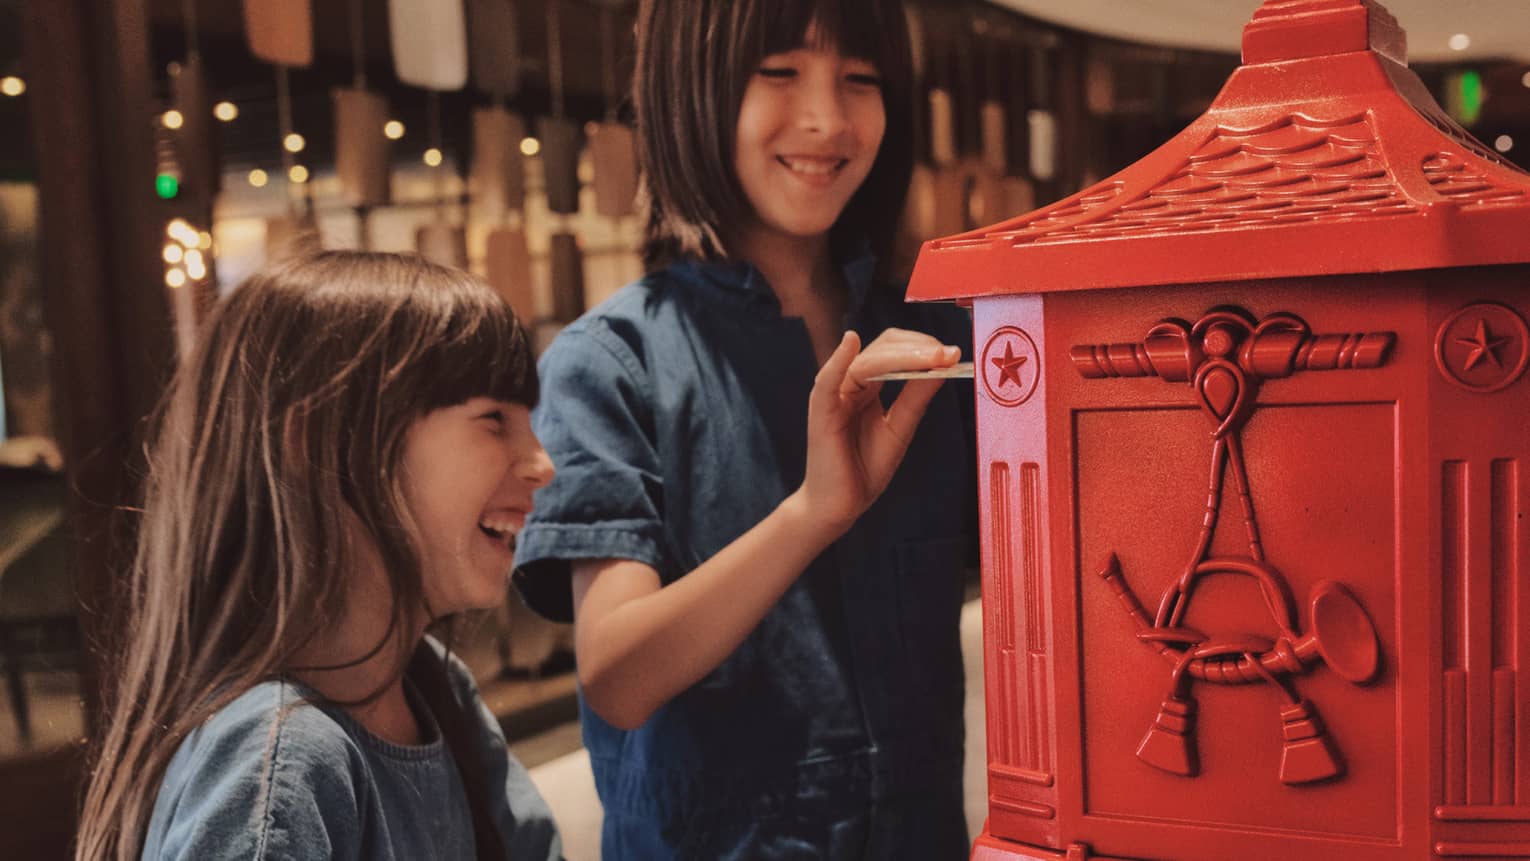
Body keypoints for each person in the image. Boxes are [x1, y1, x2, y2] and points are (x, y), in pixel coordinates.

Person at [512, 0, 977, 856]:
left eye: (861, 80)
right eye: (779, 72)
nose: (827, 120)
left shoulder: (939, 341)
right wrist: (814, 512)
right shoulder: (614, 362)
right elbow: (616, 673)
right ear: (695, 88)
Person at [75, 251, 564, 861]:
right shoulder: (282, 760)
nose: (542, 463)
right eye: (493, 419)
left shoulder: (431, 681)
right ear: (317, 442)